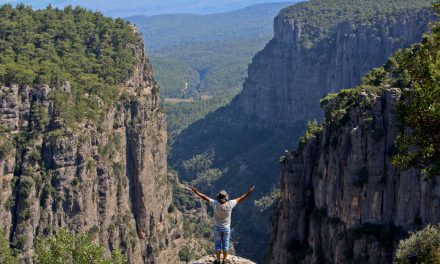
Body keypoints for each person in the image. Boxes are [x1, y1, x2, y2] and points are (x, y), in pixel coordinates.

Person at [190, 186, 255, 264]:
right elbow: (241, 198)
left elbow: (204, 197)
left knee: (218, 245)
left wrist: (196, 192)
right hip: (226, 228)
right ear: (226, 198)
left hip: (217, 228)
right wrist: (249, 192)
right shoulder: (231, 204)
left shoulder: (215, 203)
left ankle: (217, 260)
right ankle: (224, 260)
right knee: (226, 244)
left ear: (219, 198)